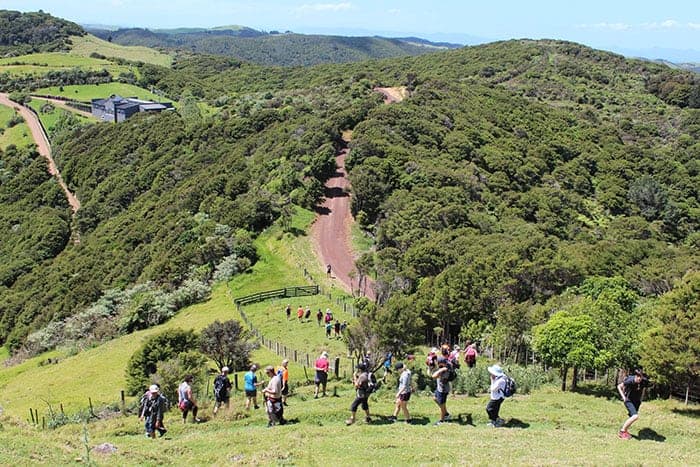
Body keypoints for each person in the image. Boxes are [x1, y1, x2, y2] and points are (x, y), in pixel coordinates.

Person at [617, 368, 651, 439]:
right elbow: (619, 386)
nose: (639, 378)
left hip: (636, 401)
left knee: (632, 417)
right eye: (638, 376)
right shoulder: (630, 380)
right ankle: (622, 431)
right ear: (635, 376)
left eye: (640, 377)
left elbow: (643, 389)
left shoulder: (643, 382)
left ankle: (625, 431)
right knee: (635, 416)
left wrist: (641, 399)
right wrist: (624, 398)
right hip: (628, 400)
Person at [432, 357, 452, 425]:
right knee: (434, 398)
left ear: (441, 363)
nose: (436, 363)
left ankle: (441, 421)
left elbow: (434, 376)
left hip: (443, 390)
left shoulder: (445, 370)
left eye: (437, 362)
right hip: (439, 388)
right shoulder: (443, 366)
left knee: (442, 405)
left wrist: (440, 370)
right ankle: (446, 413)